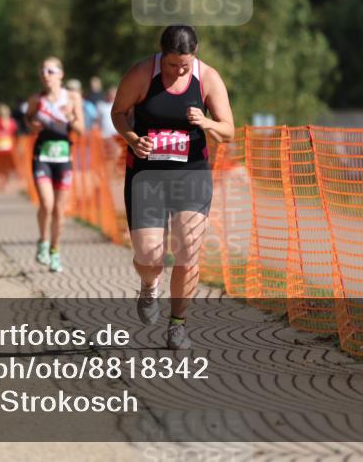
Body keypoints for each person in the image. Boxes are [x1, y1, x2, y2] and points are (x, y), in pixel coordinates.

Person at [111, 25, 234, 350]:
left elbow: (228, 131)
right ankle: (149, 285)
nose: (179, 71)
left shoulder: (207, 78)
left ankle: (178, 324)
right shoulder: (141, 74)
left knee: (188, 251)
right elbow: (119, 113)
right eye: (172, 65)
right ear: (161, 55)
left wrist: (206, 122)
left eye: (185, 65)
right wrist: (132, 139)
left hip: (191, 174)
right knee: (150, 255)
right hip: (147, 175)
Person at [26, 57, 85, 273]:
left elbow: (80, 129)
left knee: (60, 210)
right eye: (42, 71)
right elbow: (28, 119)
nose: (46, 74)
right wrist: (32, 124)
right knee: (47, 204)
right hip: (42, 156)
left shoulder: (72, 97)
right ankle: (42, 241)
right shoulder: (36, 99)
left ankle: (55, 251)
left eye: (50, 71)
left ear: (61, 74)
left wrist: (69, 116)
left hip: (63, 157)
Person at [0, 104, 18, 191]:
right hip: (2, 148)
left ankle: (3, 182)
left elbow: (14, 132)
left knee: (3, 167)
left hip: (5, 148)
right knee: (3, 167)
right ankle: (3, 182)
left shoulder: (10, 122)